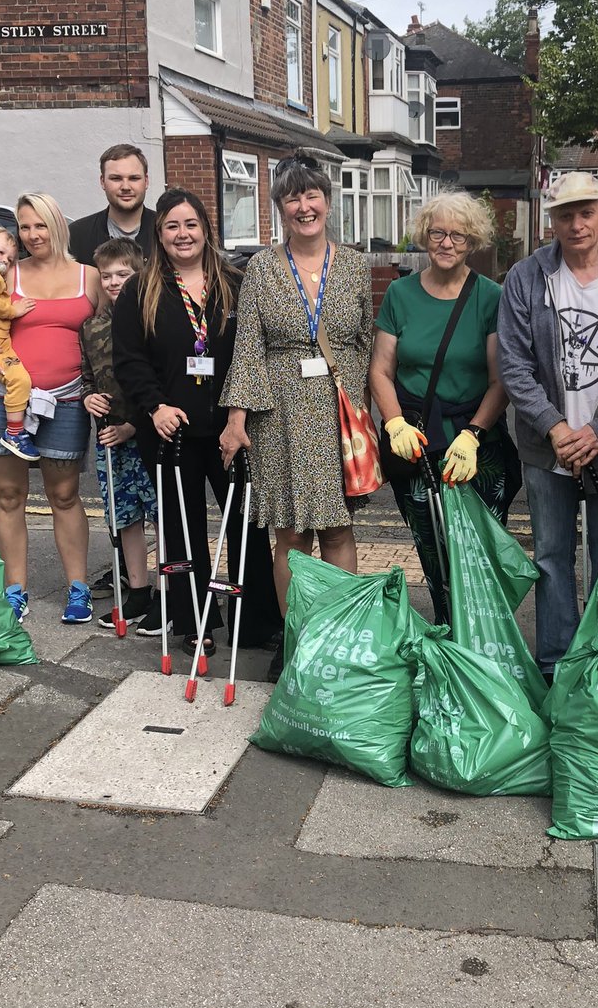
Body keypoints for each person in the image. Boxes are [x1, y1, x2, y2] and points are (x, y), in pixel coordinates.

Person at [497, 172, 598, 681]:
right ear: (552, 221)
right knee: (550, 557)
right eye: (565, 215)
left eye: (585, 212)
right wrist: (555, 428)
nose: (576, 224)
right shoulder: (526, 278)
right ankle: (555, 667)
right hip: (548, 452)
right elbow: (514, 363)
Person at [219, 155, 373, 680]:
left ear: (327, 201)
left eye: (312, 196)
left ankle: (339, 633)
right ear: (280, 207)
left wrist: (366, 418)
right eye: (292, 197)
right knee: (289, 534)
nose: (304, 206)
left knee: (336, 529)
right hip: (281, 415)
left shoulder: (354, 265)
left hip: (339, 411)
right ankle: (298, 639)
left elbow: (366, 342)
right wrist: (236, 419)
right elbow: (249, 347)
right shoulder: (261, 267)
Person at [113, 189, 281, 657]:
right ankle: (193, 620)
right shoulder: (139, 290)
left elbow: (253, 354)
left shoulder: (236, 282)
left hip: (233, 429)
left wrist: (238, 414)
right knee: (181, 529)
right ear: (159, 234)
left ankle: (256, 622)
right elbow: (128, 360)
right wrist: (154, 406)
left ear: (206, 230)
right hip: (171, 430)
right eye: (172, 226)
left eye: (190, 224)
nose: (182, 234)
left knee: (247, 527)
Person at [370, 190, 518, 625]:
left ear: (472, 241)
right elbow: (380, 370)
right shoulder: (400, 294)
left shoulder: (491, 297)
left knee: (480, 556)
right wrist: (393, 422)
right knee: (432, 554)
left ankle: (484, 646)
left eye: (457, 234)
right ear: (424, 236)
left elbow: (501, 379)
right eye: (437, 232)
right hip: (415, 444)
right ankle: (446, 644)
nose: (446, 242)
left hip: (476, 447)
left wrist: (473, 435)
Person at [0, 194, 100, 624]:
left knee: (64, 495)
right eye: (24, 227)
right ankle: (14, 591)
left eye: (40, 225)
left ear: (58, 225)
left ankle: (79, 589)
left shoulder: (88, 277)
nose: (32, 235)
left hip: (68, 398)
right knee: (9, 495)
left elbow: (109, 333)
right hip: (3, 398)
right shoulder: (6, 272)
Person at [80, 239, 158, 629]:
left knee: (165, 517)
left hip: (148, 434)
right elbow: (88, 377)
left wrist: (134, 426)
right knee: (125, 519)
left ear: (139, 272)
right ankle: (140, 591)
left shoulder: (153, 319)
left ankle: (173, 594)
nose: (113, 282)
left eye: (122, 274)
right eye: (106, 275)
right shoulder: (91, 327)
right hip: (111, 442)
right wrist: (89, 397)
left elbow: (159, 381)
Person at [0, 227, 38, 461]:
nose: (4, 261)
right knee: (19, 380)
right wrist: (13, 310)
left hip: (2, 344)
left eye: (9, 259)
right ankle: (15, 432)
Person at [69, 144, 156, 266]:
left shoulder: (165, 230)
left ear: (146, 181)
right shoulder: (77, 236)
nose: (125, 187)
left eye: (134, 178)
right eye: (116, 178)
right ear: (102, 182)